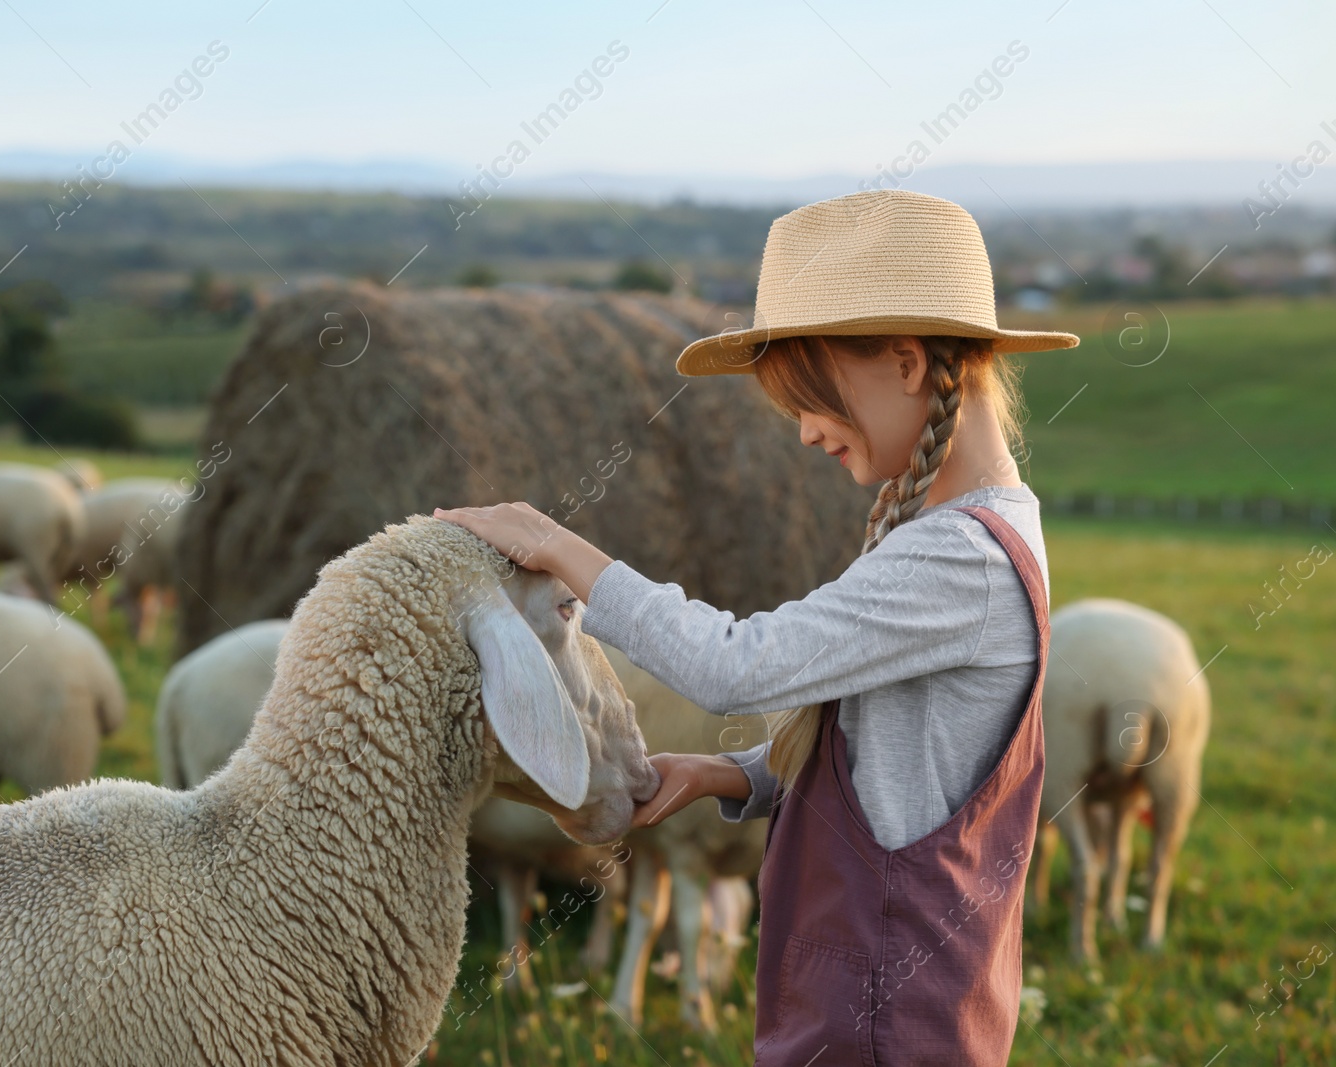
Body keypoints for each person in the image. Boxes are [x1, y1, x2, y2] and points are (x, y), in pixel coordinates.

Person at [436, 189, 1079, 1065]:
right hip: (873, 1009)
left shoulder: (959, 560)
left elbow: (736, 667)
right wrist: (727, 774)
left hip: (884, 1027)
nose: (807, 433)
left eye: (813, 398)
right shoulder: (972, 533)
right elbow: (901, 765)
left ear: (905, 362)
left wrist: (559, 547)